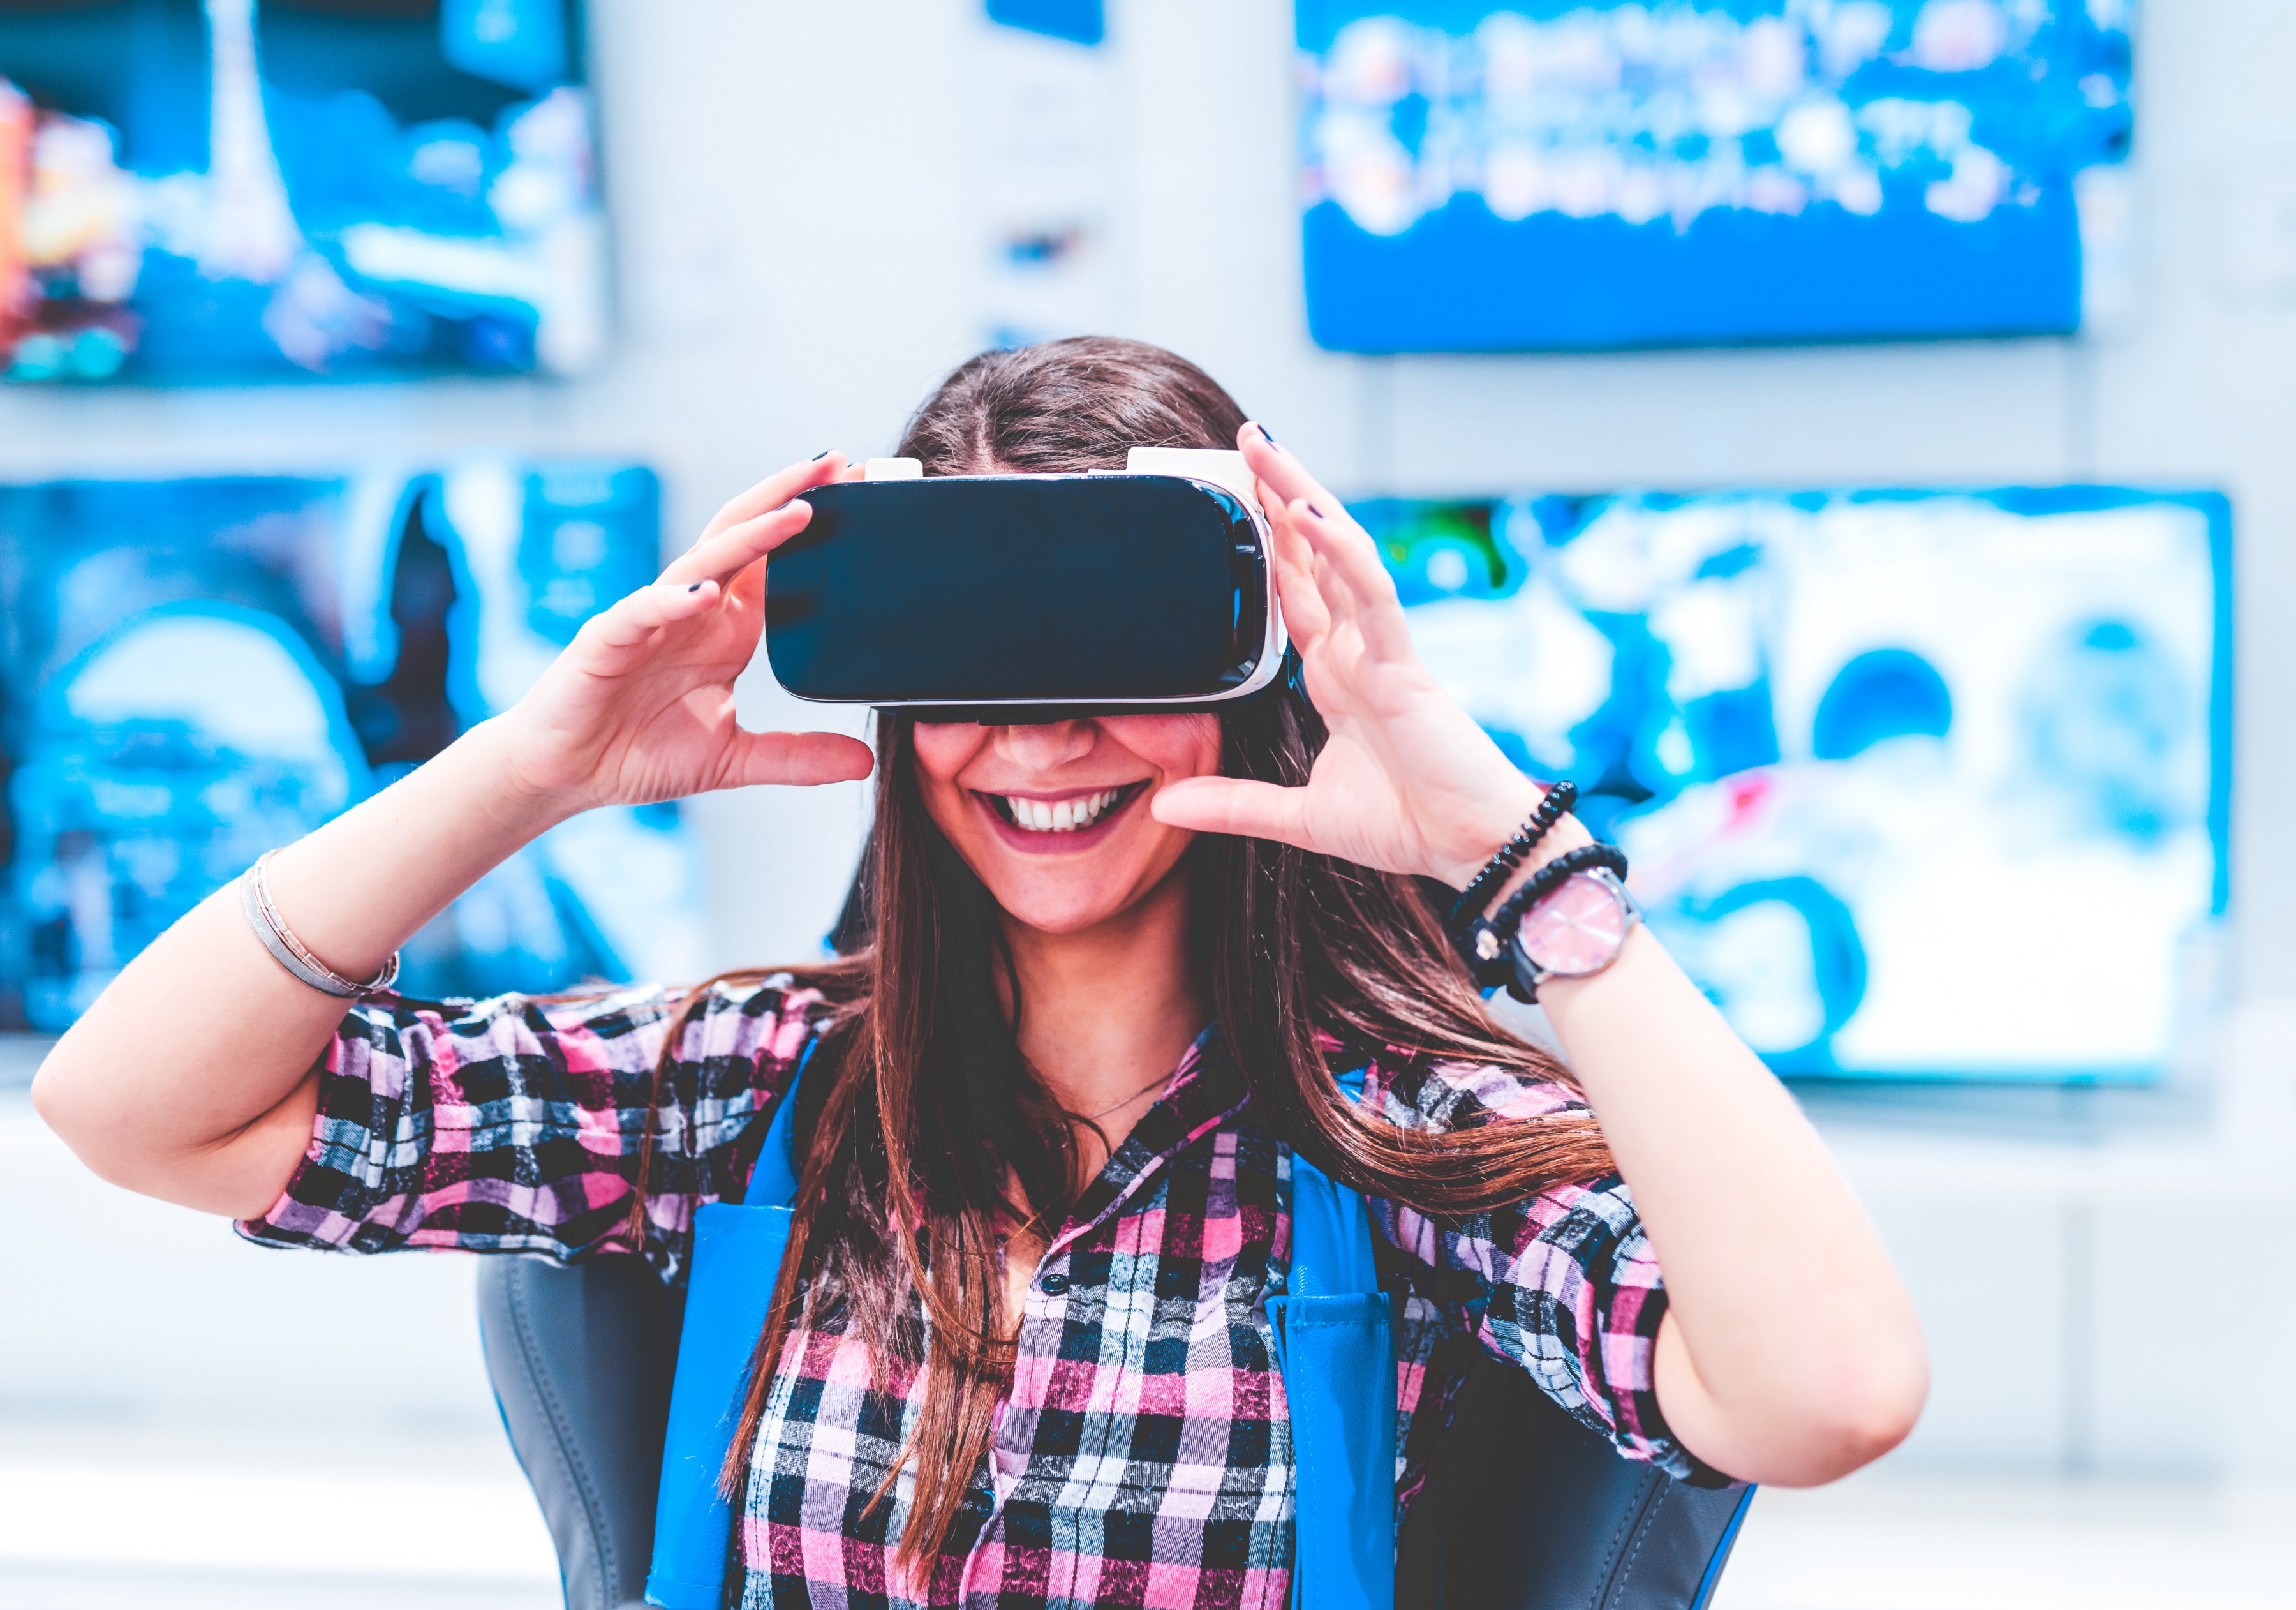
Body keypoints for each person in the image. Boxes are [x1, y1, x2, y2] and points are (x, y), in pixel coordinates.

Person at [32, 337, 1927, 1609]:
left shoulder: (1401, 1146)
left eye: (1108, 645)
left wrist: (1518, 866)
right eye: (975, 666)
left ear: (1248, 677)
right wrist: (534, 762)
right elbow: (131, 1106)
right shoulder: (748, 1082)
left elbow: (1823, 1391)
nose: (1035, 742)